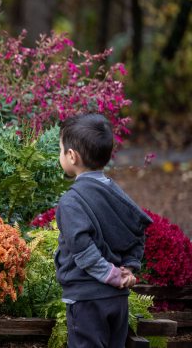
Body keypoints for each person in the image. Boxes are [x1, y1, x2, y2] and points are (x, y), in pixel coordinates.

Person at [54, 113, 153, 348]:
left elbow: (83, 249)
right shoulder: (116, 193)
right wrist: (128, 268)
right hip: (117, 300)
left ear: (72, 156)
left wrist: (112, 276)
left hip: (87, 300)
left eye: (60, 150)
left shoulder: (71, 201)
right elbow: (137, 232)